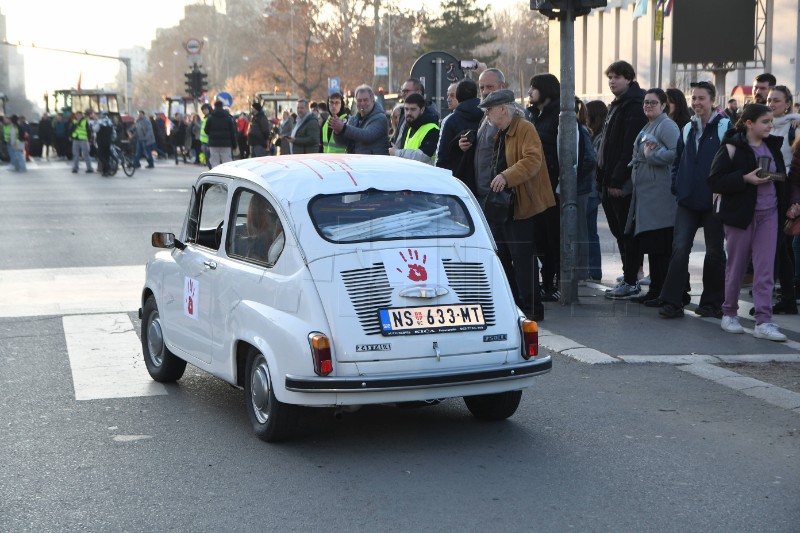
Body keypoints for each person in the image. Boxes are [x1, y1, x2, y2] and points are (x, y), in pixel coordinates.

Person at [709, 103, 789, 341]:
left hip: (770, 214)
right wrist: (745, 179)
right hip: (740, 216)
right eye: (765, 122)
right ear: (749, 124)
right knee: (736, 266)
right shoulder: (732, 146)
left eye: (771, 121)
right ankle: (729, 313)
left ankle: (764, 321)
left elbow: (782, 178)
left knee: (765, 270)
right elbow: (714, 180)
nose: (770, 126)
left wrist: (783, 194)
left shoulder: (772, 146)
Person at [476, 89, 555, 321]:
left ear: (503, 109)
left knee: (522, 258)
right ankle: (515, 303)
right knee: (502, 255)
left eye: (489, 110)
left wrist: (506, 176)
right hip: (504, 205)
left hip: (520, 205)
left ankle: (532, 307)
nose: (487, 115)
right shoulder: (502, 131)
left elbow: (532, 160)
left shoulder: (524, 128)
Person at [658, 81, 731, 319]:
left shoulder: (724, 127)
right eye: (694, 99)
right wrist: (676, 187)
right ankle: (672, 301)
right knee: (679, 250)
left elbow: (732, 162)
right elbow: (678, 161)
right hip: (687, 200)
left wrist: (723, 189)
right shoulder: (688, 128)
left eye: (702, 98)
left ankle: (712, 304)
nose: (697, 103)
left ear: (713, 101)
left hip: (715, 200)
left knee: (714, 253)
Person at [596, 61, 648, 299]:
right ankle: (629, 277)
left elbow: (628, 147)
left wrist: (617, 180)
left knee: (627, 234)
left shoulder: (634, 106)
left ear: (629, 78)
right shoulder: (618, 104)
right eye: (610, 78)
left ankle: (631, 281)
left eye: (617, 77)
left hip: (620, 184)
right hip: (609, 181)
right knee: (620, 233)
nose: (612, 81)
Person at [623, 89, 680, 305]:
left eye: (653, 103)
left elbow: (676, 153)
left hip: (660, 197)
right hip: (647, 197)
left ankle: (661, 292)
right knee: (653, 248)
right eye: (646, 102)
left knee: (660, 248)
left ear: (664, 105)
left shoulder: (666, 125)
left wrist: (652, 156)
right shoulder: (649, 125)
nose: (648, 106)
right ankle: (655, 290)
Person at [765, 85, 800, 313]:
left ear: (787, 103)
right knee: (777, 247)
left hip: (784, 189)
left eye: (776, 100)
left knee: (781, 246)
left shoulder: (793, 126)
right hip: (767, 189)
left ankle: (786, 295)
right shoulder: (764, 124)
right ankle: (783, 293)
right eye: (769, 100)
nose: (771, 104)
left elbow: (793, 167)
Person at [528, 73, 562, 301]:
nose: (530, 92)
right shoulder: (535, 116)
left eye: (534, 88)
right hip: (537, 185)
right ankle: (545, 280)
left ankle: (551, 282)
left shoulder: (559, 116)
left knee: (551, 238)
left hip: (552, 186)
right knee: (539, 237)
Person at [435, 78, 482, 173]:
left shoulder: (450, 121)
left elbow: (442, 158)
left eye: (452, 95)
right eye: (447, 95)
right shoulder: (487, 115)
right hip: (485, 178)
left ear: (458, 96)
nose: (448, 99)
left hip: (458, 178)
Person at [584, 100, 607, 282]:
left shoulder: (598, 137)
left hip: (590, 189)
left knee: (588, 231)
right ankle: (594, 270)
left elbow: (594, 163)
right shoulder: (597, 135)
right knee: (590, 231)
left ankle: (592, 270)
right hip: (593, 189)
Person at [330, 85, 389, 155]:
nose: (362, 103)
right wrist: (338, 132)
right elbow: (342, 142)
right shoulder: (353, 119)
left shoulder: (380, 118)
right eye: (359, 100)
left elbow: (367, 136)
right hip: (357, 163)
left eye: (365, 100)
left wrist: (343, 128)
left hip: (375, 164)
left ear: (373, 100)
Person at [390, 93, 439, 164]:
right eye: (406, 109)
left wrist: (397, 153)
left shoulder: (433, 130)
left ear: (422, 110)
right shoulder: (410, 127)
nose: (409, 113)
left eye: (413, 109)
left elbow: (422, 156)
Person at [204, 100, 237, 166]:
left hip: (213, 144)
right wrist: (234, 145)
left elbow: (206, 130)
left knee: (215, 162)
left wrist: (212, 135)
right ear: (222, 106)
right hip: (226, 144)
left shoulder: (210, 118)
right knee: (227, 163)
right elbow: (232, 132)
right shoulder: (228, 118)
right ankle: (226, 175)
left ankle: (216, 175)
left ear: (214, 106)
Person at [94, 111, 116, 176]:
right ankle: (105, 171)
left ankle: (107, 166)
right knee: (106, 156)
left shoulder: (99, 122)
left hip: (101, 141)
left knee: (100, 155)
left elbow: (95, 129)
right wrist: (113, 139)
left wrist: (94, 125)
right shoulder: (110, 122)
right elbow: (113, 132)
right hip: (108, 141)